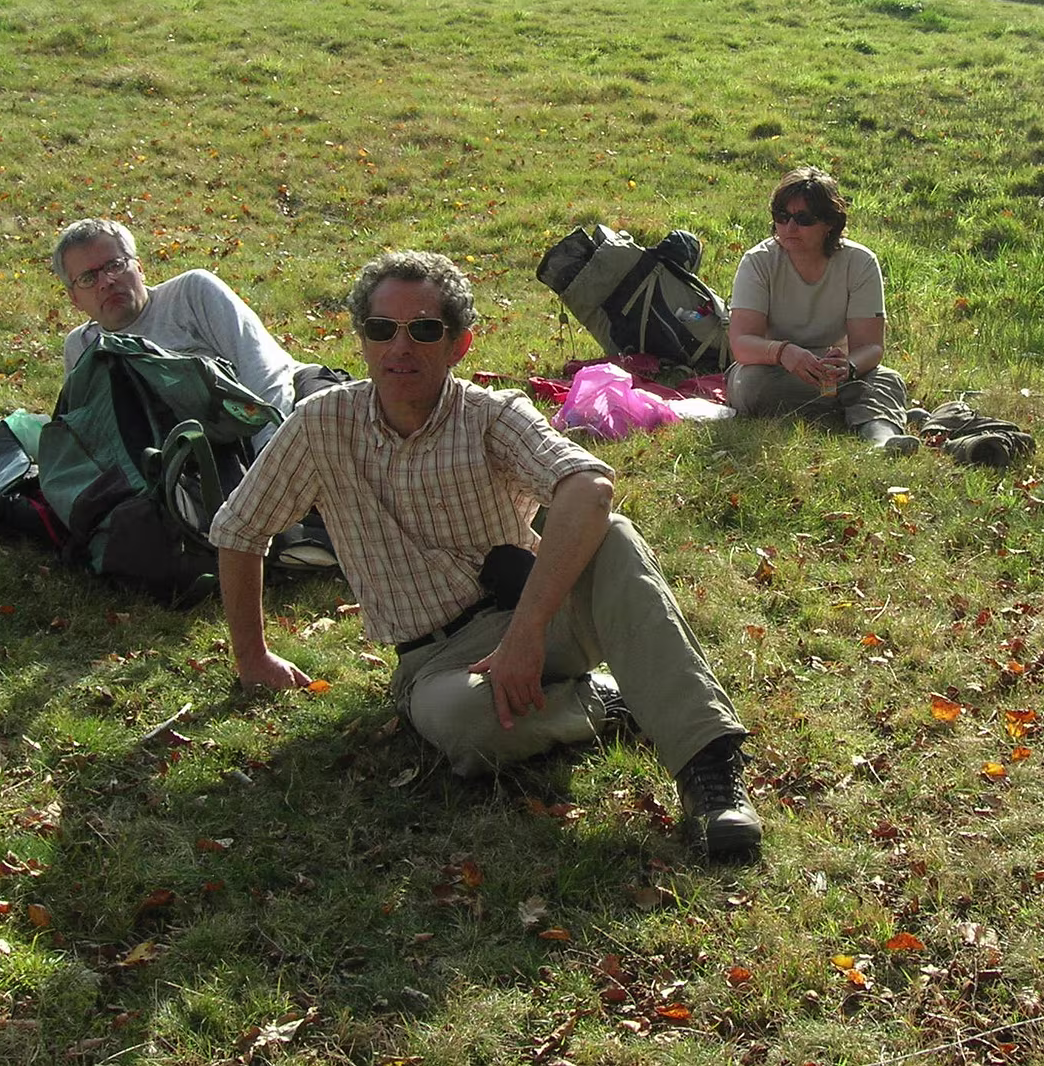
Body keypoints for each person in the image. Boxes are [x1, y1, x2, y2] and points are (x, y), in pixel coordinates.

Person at [206, 250, 762, 860]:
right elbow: (239, 529)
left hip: (538, 616)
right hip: (436, 660)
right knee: (465, 727)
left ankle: (711, 776)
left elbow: (589, 487)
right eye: (382, 329)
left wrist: (526, 634)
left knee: (615, 536)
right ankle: (604, 703)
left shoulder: (491, 416)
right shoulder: (320, 425)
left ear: (459, 345)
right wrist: (253, 657)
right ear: (361, 339)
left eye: (424, 330)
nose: (400, 347)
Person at [725, 166, 919, 454]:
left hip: (835, 376)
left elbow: (871, 347)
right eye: (782, 216)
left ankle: (881, 440)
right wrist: (783, 353)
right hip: (773, 370)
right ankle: (863, 414)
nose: (790, 228)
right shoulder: (758, 262)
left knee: (886, 378)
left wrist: (849, 367)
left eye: (804, 219)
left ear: (830, 223)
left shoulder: (860, 263)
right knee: (750, 383)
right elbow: (742, 344)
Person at [52, 218, 310, 424]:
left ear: (139, 268)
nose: (106, 282)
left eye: (115, 265)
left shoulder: (192, 294)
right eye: (88, 278)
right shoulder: (82, 347)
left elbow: (265, 371)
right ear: (74, 299)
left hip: (284, 408)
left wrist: (266, 457)